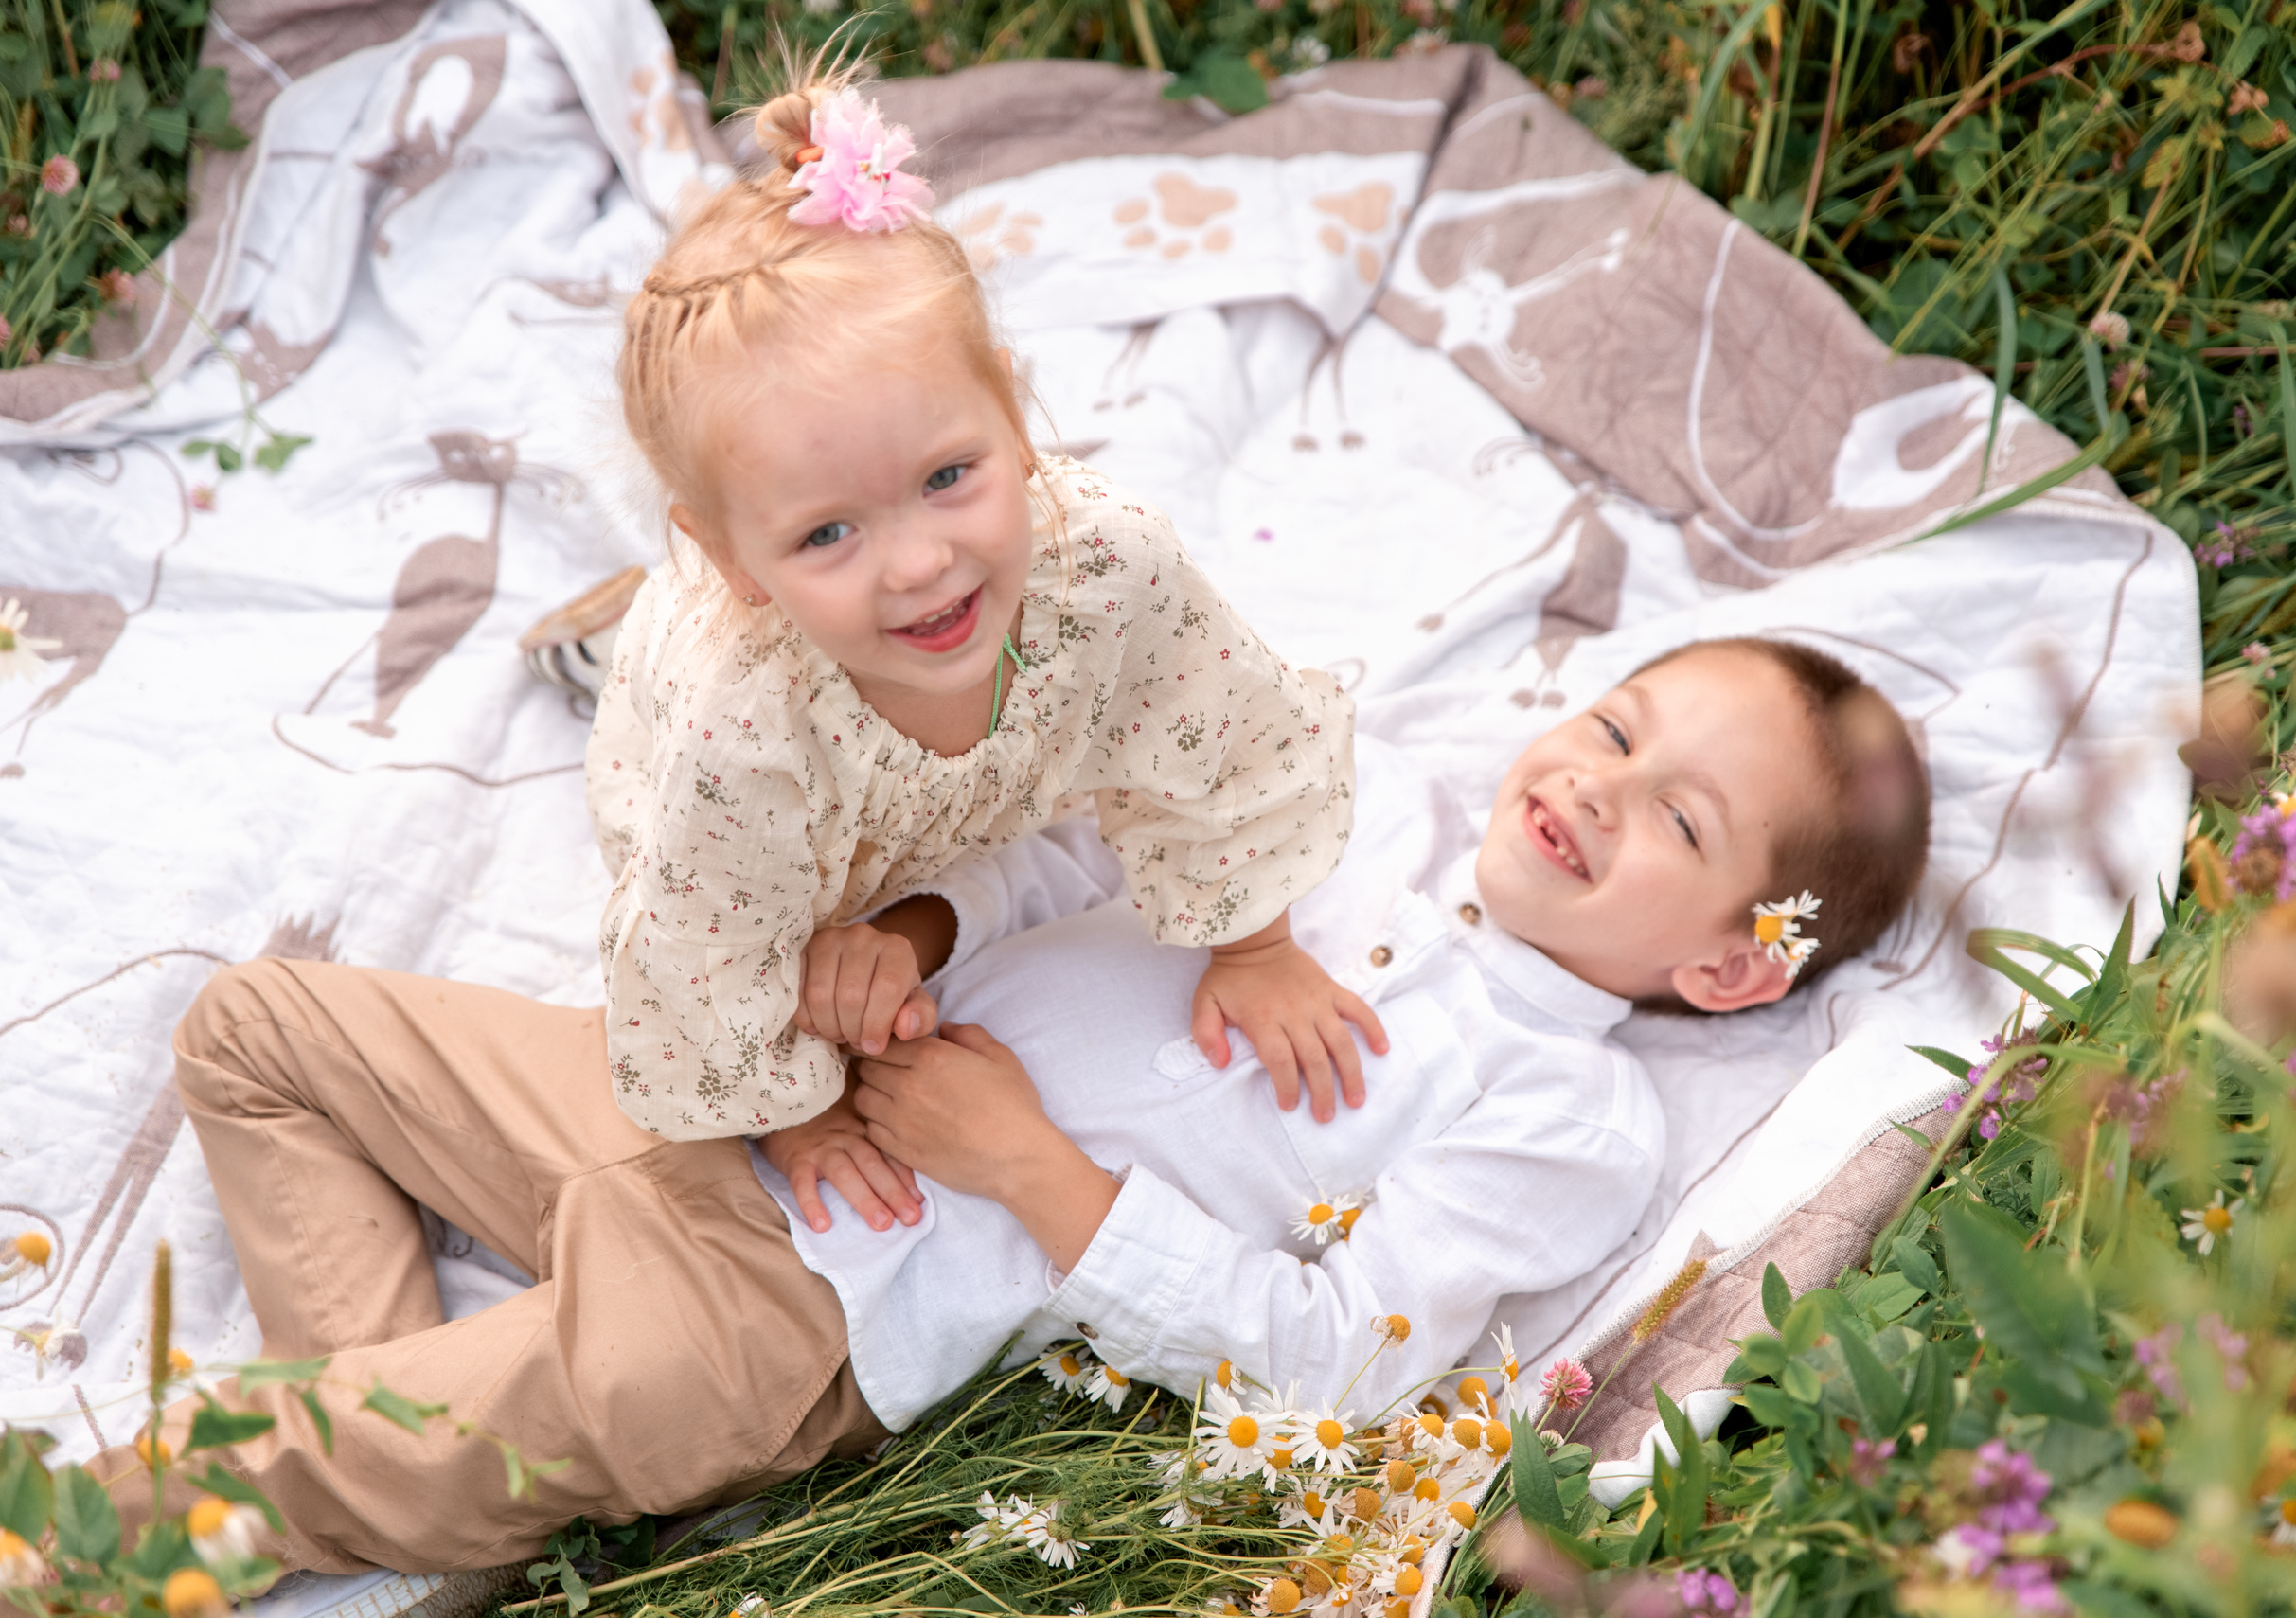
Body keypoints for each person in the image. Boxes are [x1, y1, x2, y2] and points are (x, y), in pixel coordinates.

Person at [90, 636, 1928, 1575]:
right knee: (259, 1026)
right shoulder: (1350, 805)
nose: (1600, 783)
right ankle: (415, 1488)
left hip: (819, 1287)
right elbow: (1061, 849)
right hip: (743, 1103)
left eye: (1679, 816)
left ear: (1728, 966)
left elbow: (1331, 1363)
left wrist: (1032, 1171)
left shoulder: (1563, 1116)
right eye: (1615, 724)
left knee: (283, 1454)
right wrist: (905, 936)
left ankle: (94, 1527)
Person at [591, 56, 1380, 1151]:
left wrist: (1254, 949)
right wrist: (794, 1118)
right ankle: (613, 634)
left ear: (1010, 414)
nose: (920, 564)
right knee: (724, 863)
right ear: (732, 558)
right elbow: (702, 948)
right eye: (827, 533)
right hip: (752, 822)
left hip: (939, 810)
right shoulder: (740, 734)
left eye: (948, 476)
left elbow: (1221, 737)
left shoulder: (1105, 569)